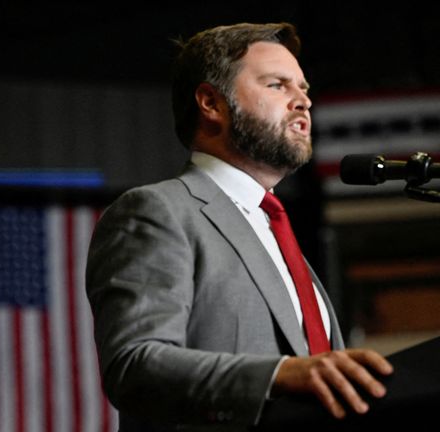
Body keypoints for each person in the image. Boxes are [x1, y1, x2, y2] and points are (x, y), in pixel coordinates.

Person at [85, 22, 393, 431]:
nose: (303, 102)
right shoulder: (159, 211)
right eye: (277, 85)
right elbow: (135, 365)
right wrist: (280, 375)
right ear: (211, 102)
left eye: (303, 88)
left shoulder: (274, 231)